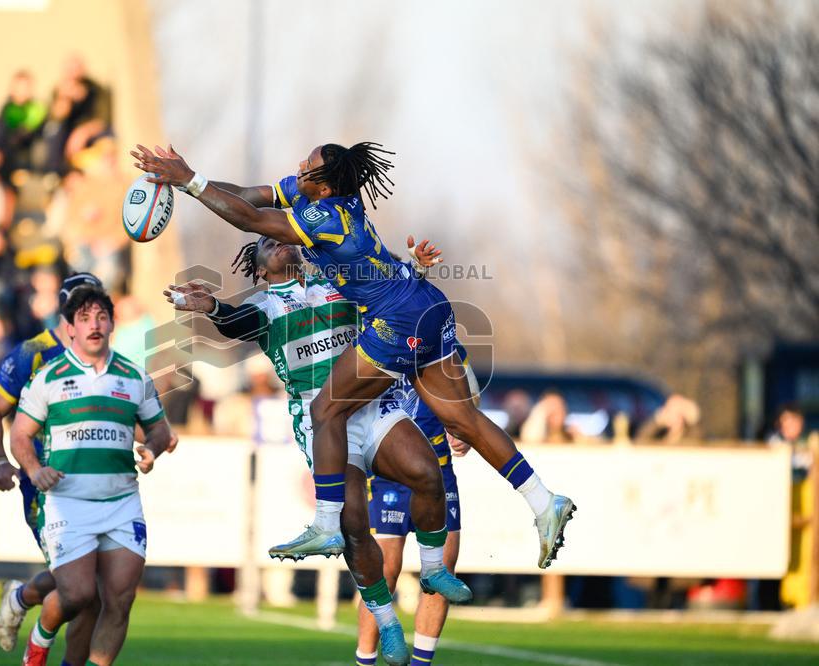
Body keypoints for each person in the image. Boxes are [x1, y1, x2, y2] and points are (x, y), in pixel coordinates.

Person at [132, 142, 575, 570]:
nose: (298, 167)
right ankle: (543, 500)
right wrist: (192, 178)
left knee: (325, 409)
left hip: (397, 320)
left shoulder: (323, 216)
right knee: (463, 420)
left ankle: (327, 525)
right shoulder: (320, 193)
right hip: (426, 299)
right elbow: (249, 196)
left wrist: (188, 181)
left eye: (306, 166)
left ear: (322, 187)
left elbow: (249, 218)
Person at [166, 236, 469, 666]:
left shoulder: (336, 281)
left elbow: (390, 290)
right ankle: (385, 621)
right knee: (354, 524)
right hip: (322, 419)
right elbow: (236, 321)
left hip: (371, 405)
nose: (281, 244)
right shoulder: (267, 304)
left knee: (426, 473)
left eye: (282, 239)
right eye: (269, 244)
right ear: (259, 269)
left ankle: (435, 569)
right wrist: (212, 308)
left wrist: (415, 269)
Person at [11, 286, 177, 666]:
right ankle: (38, 644)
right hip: (68, 503)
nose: (94, 325)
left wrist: (151, 449)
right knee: (78, 595)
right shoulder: (48, 377)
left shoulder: (134, 376)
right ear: (69, 327)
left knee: (121, 600)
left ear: (113, 324)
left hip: (122, 502)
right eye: (84, 318)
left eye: (101, 316)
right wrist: (34, 470)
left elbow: (160, 428)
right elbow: (19, 434)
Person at [0, 272, 102, 656]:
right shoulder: (32, 352)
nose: (91, 320)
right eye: (81, 310)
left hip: (93, 484)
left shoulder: (103, 356)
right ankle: (27, 615)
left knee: (89, 587)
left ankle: (20, 597)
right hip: (45, 485)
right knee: (82, 586)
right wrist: (1, 460)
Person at [356, 364, 477, 666]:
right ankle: (365, 660)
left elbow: (470, 396)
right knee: (384, 569)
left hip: (438, 467)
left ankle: (422, 663)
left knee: (442, 569)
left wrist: (465, 431)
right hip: (389, 468)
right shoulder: (377, 335)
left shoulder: (446, 345)